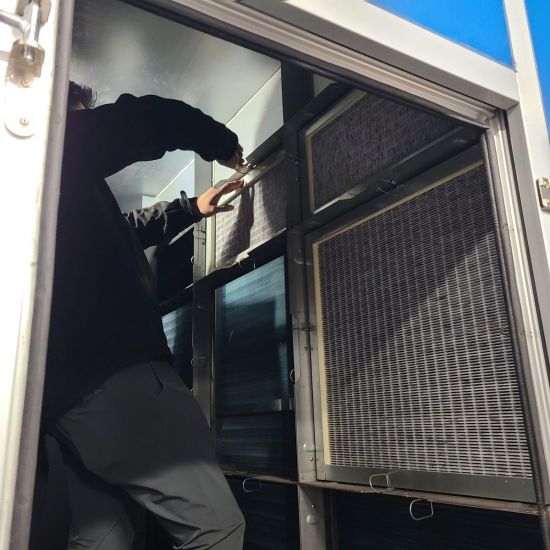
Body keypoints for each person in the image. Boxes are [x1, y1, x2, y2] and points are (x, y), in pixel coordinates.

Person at [42, 82, 246, 549]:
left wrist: (191, 208)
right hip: (115, 379)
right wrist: (219, 141)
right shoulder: (51, 146)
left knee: (103, 538)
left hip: (66, 403)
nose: (86, 125)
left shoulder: (49, 199)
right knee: (217, 529)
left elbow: (125, 229)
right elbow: (147, 118)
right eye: (80, 115)